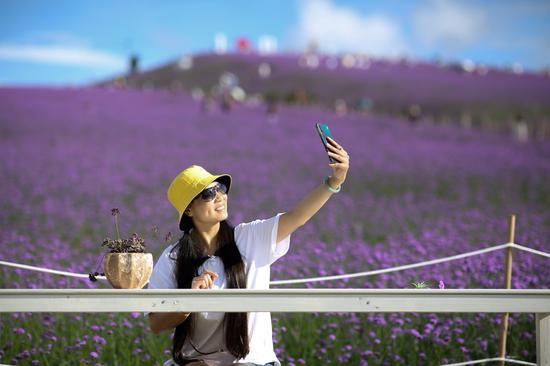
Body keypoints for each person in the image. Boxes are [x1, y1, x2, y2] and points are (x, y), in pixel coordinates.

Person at [148, 136, 350, 366]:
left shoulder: (250, 237)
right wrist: (187, 301)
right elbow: (156, 323)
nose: (220, 196)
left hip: (252, 362)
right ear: (189, 211)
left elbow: (297, 217)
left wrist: (334, 181)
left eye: (221, 188)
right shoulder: (172, 258)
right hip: (196, 362)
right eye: (207, 194)